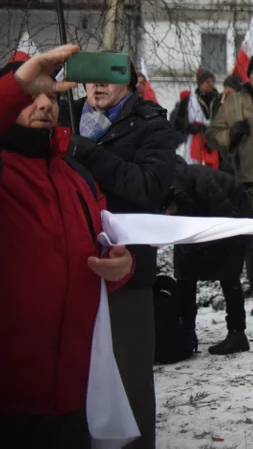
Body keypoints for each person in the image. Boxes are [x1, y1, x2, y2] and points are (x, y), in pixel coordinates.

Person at [1, 46, 135, 447]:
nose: (45, 105)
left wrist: (119, 267)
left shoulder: (77, 177)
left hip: (74, 395)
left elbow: (97, 252)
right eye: (31, 96)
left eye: (54, 97)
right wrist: (18, 83)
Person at [63, 57, 176, 449]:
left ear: (128, 83)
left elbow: (148, 187)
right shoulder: (65, 117)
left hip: (129, 267)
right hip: (71, 266)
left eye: (107, 80)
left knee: (130, 376)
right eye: (90, 81)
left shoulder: (153, 126)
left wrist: (90, 154)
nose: (97, 87)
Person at [207, 51, 253, 317]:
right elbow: (212, 136)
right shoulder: (234, 101)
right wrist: (231, 135)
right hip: (246, 183)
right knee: (251, 244)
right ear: (249, 76)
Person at [168, 157, 253, 356]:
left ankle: (237, 334)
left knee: (228, 273)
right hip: (199, 219)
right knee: (184, 274)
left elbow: (225, 217)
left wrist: (201, 246)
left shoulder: (201, 183)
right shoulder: (166, 183)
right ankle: (186, 332)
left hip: (232, 215)